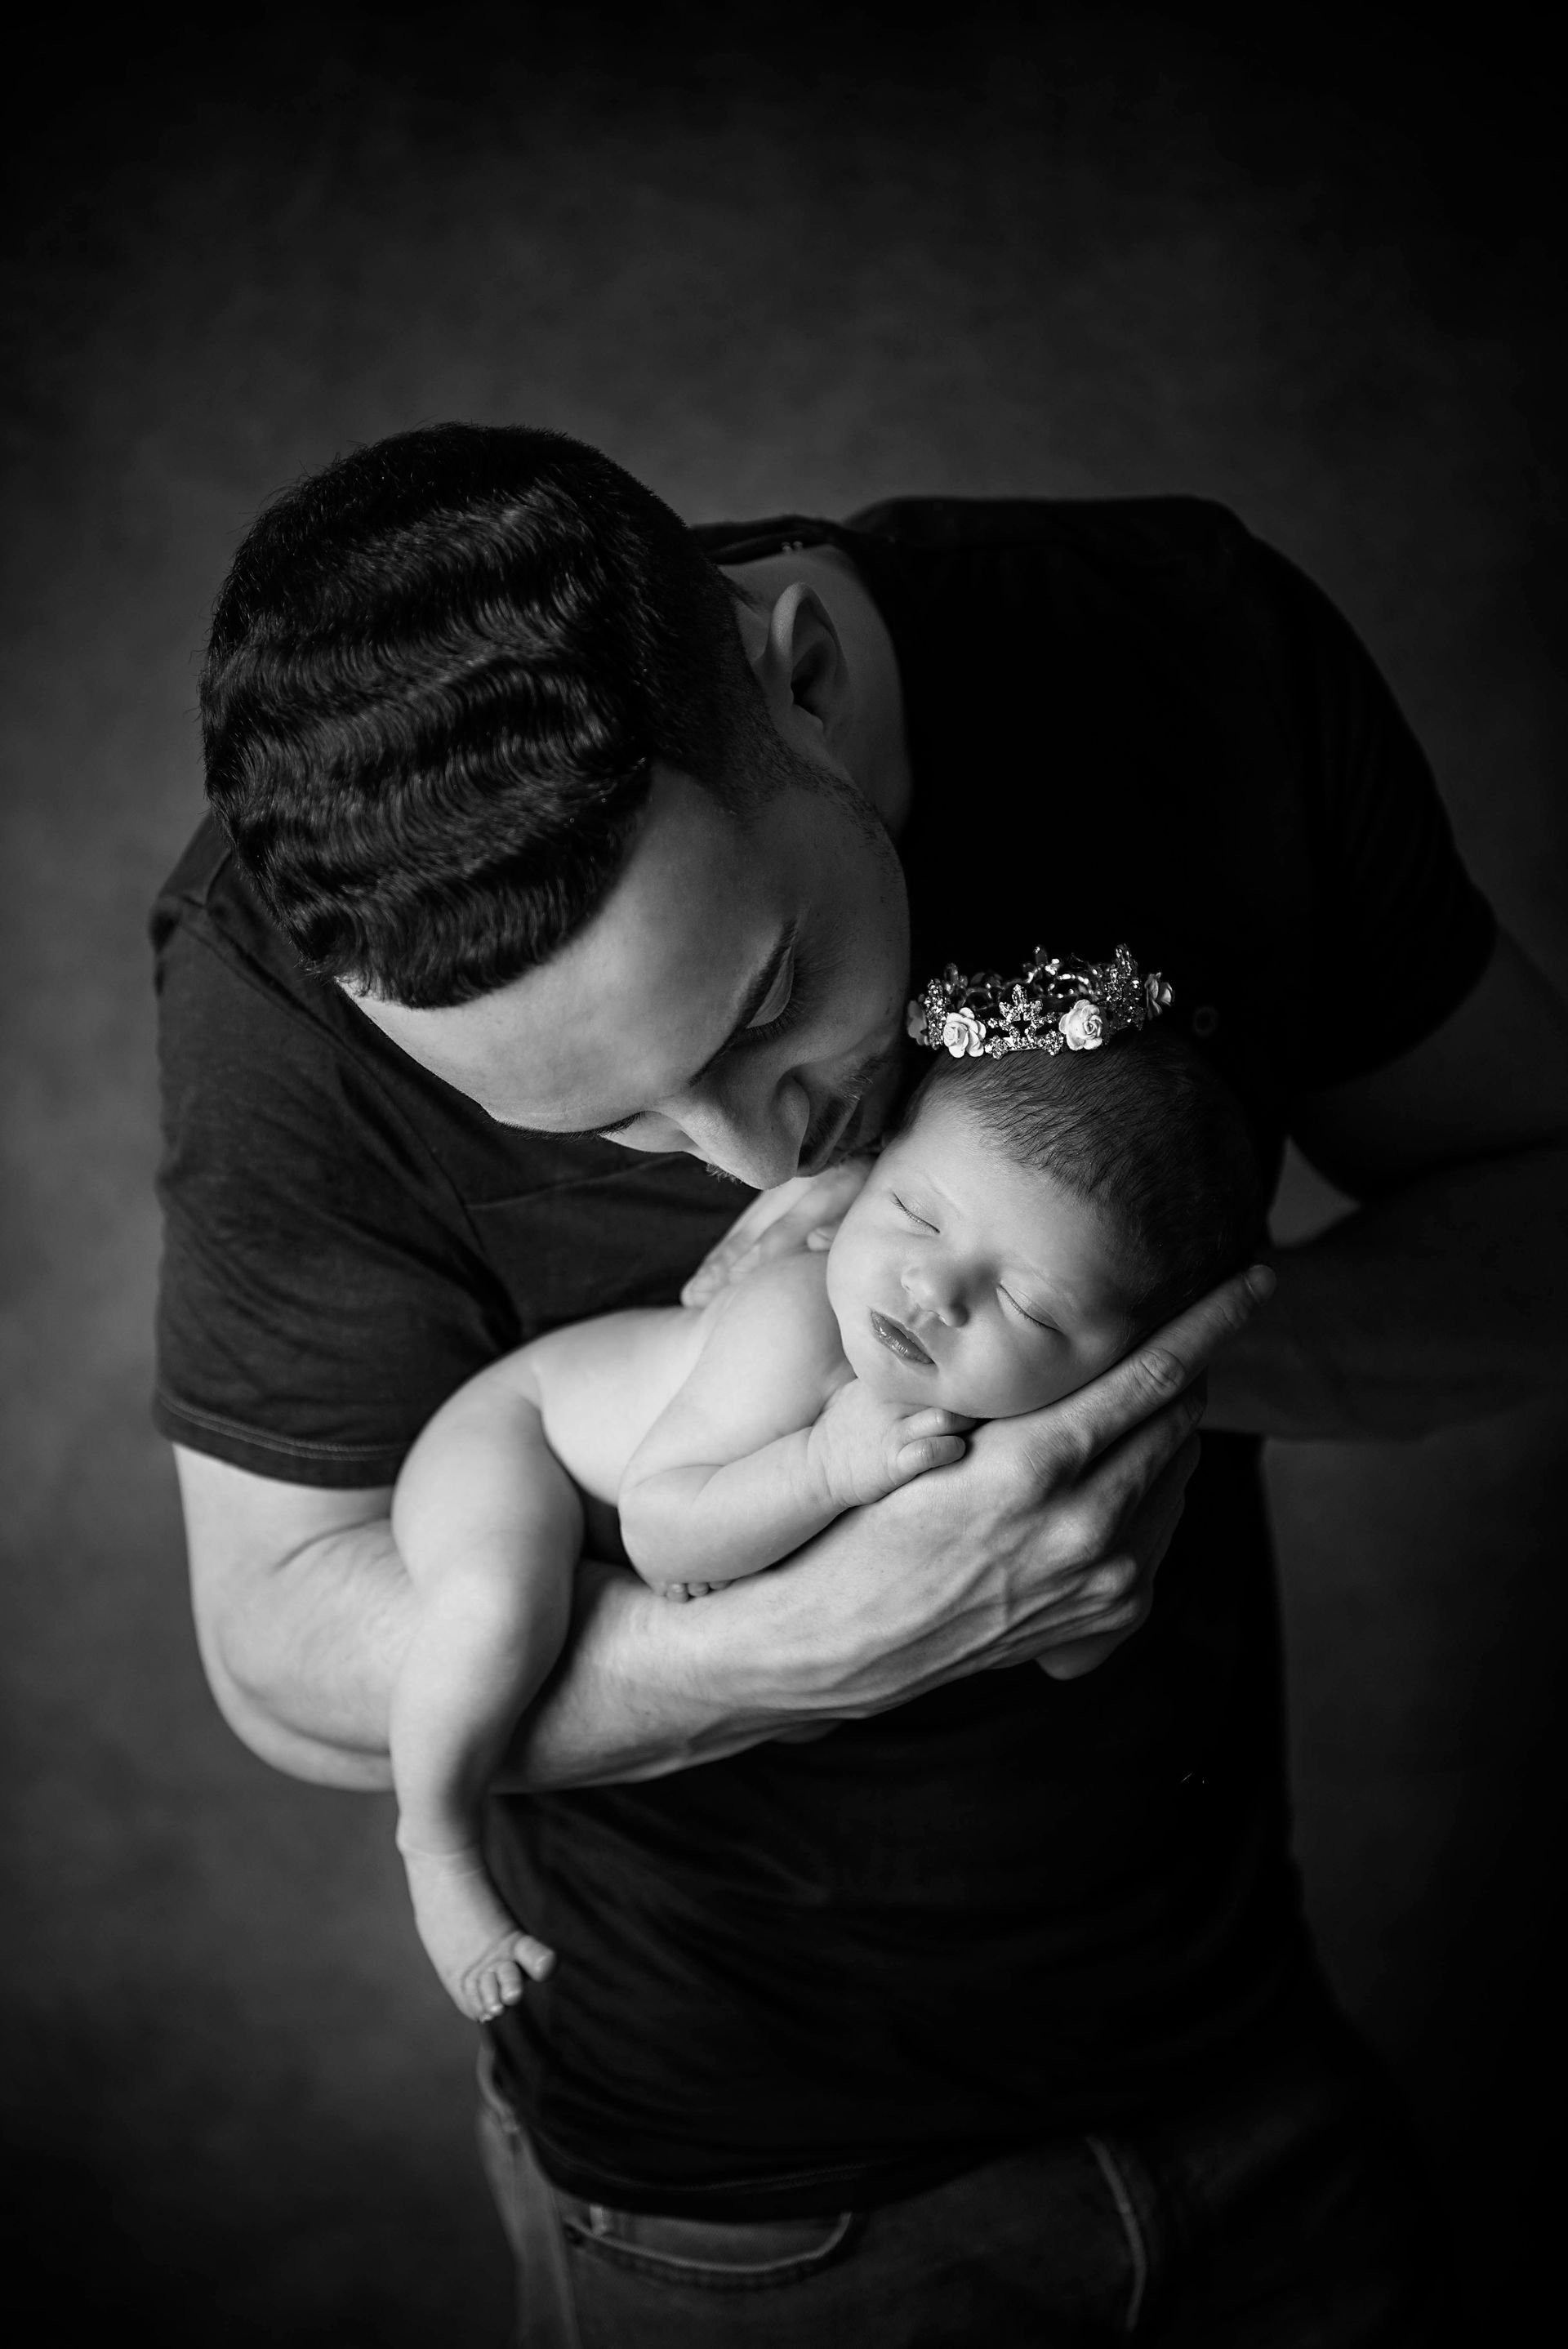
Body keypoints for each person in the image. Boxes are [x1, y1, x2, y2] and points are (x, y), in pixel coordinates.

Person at [154, 424, 1568, 2344]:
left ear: (800, 674)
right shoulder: (278, 971)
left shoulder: (1179, 645)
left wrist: (1104, 1384)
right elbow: (278, 1635)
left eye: (756, 1019)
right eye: (615, 1128)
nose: (748, 1171)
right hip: (741, 2226)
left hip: (1257, 2076)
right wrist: (821, 1638)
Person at [390, 952, 1263, 2026]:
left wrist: (1138, 1516)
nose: (933, 1290)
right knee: (498, 1612)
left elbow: (1065, 1640)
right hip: (524, 1443)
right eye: (914, 1213)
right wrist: (819, 1467)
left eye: (1032, 1312)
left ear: (1124, 1357)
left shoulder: (1030, 1425)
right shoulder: (796, 1319)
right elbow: (662, 1531)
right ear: (866, 1170)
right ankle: (436, 1842)